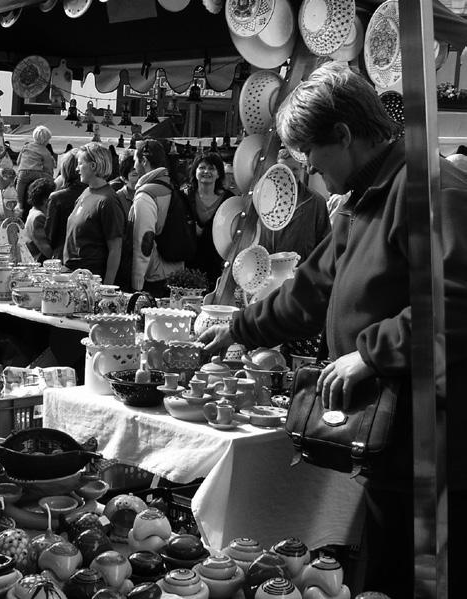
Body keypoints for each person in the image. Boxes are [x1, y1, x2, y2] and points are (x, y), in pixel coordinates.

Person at [198, 61, 467, 598]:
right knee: (384, 571)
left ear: (343, 135)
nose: (314, 174)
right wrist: (239, 330)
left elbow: (456, 301)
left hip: (435, 439)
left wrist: (370, 355)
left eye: (314, 159)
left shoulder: (433, 189)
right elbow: (311, 290)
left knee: (425, 578)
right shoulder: (362, 199)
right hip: (390, 436)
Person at [128, 139, 184, 296]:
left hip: (154, 278)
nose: (134, 167)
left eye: (135, 161)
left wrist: (137, 284)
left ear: (144, 161)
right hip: (176, 272)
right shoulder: (170, 186)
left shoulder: (146, 194)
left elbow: (143, 243)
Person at [63, 142, 124, 283]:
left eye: (80, 163)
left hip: (90, 280)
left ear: (93, 166)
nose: (77, 169)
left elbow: (115, 248)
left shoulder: (108, 200)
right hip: (72, 276)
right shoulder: (85, 192)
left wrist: (106, 288)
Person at [258, 148, 330, 264]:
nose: (290, 173)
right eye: (285, 169)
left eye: (294, 169)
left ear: (301, 170)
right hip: (267, 271)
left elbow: (326, 244)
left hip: (300, 274)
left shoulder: (316, 202)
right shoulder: (261, 200)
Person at [182, 152, 232, 282]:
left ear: (219, 173)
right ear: (195, 171)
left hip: (216, 264)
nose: (206, 171)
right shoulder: (184, 196)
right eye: (202, 167)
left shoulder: (229, 200)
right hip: (187, 263)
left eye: (211, 168)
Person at [45, 149, 85, 261]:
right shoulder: (93, 194)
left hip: (63, 255)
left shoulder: (57, 198)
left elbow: (50, 234)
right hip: (87, 256)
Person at [16, 125, 56, 220]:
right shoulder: (45, 151)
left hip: (23, 172)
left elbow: (18, 161)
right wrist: (50, 176)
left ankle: (19, 205)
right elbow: (48, 168)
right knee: (51, 182)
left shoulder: (26, 147)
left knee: (20, 186)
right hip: (37, 173)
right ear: (46, 141)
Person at [24, 177, 55, 263]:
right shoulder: (38, 217)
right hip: (40, 263)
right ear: (46, 200)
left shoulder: (33, 212)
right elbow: (46, 249)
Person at [114, 152, 137, 217]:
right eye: (134, 175)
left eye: (141, 174)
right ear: (124, 178)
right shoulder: (118, 199)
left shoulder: (147, 194)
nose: (139, 178)